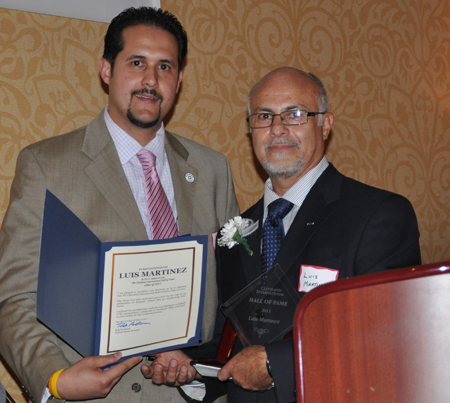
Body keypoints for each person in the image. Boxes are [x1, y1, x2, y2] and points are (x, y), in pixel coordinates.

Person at [0, 7, 238, 403]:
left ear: (179, 81)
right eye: (137, 63)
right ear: (106, 70)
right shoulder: (47, 165)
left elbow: (232, 293)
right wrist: (54, 379)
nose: (151, 79)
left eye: (165, 66)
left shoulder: (213, 169)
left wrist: (201, 360)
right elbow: (14, 299)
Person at [145, 67, 422, 403]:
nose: (277, 128)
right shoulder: (233, 233)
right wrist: (190, 368)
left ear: (326, 123)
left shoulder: (377, 214)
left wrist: (278, 363)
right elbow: (228, 342)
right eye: (263, 116)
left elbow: (389, 334)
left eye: (294, 114)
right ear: (251, 131)